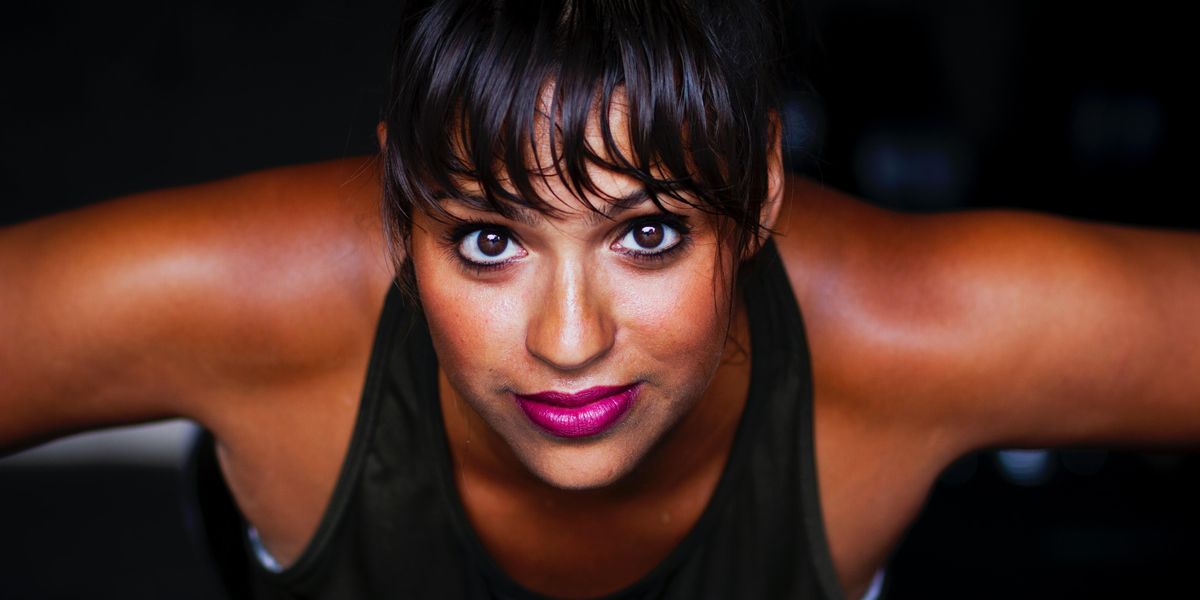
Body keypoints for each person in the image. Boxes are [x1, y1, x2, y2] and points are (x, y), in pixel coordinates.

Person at [1, 1, 1197, 598]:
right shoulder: (249, 298)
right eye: (485, 239)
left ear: (766, 193)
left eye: (650, 232)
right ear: (399, 194)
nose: (568, 342)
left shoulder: (913, 328)